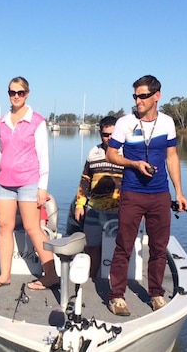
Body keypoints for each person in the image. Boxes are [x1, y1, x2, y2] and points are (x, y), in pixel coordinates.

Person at [105, 75, 187, 316]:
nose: (138, 101)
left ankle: (156, 293)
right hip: (132, 193)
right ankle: (117, 296)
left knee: (159, 248)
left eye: (142, 96)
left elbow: (172, 157)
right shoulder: (125, 123)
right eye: (135, 96)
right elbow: (111, 155)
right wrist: (133, 163)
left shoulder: (168, 123)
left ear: (156, 96)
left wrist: (179, 192)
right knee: (124, 246)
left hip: (160, 194)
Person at [0, 76, 59, 291]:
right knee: (4, 227)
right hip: (4, 182)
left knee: (32, 227)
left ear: (27, 94)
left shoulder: (37, 121)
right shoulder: (3, 121)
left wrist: (42, 187)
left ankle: (51, 275)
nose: (16, 96)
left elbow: (44, 157)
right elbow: (1, 150)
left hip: (29, 182)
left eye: (20, 93)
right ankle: (4, 275)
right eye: (12, 92)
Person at [71, 116, 124, 279]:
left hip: (118, 211)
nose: (109, 138)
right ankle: (92, 277)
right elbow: (85, 179)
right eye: (105, 135)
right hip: (94, 209)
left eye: (113, 135)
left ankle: (115, 280)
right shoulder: (93, 153)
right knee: (92, 246)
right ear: (100, 133)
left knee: (117, 248)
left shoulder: (127, 154)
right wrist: (80, 204)